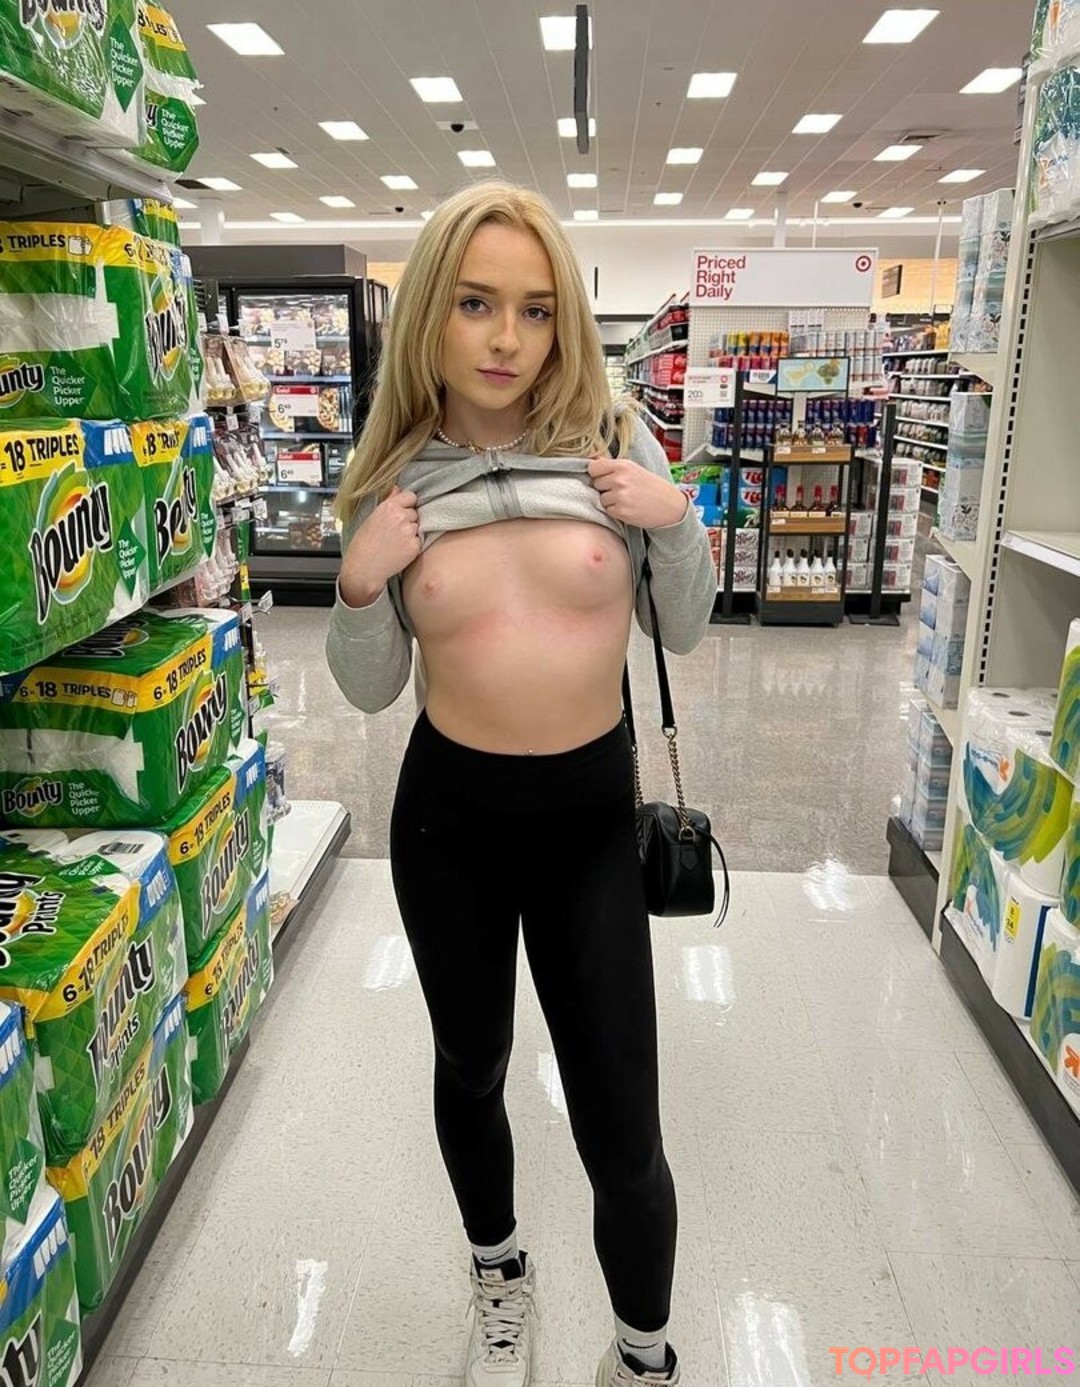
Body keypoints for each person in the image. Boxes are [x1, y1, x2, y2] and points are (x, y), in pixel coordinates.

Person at [326, 181, 716, 1387]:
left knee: (622, 1119)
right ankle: (500, 1277)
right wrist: (358, 584)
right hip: (450, 824)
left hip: (591, 824)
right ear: (432, 315)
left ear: (566, 323)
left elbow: (683, 628)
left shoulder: (613, 437)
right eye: (477, 304)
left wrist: (677, 523)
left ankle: (643, 1355)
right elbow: (370, 689)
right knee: (471, 1063)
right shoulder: (393, 473)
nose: (507, 339)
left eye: (538, 310)